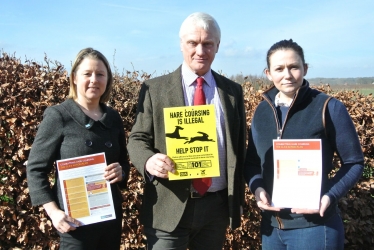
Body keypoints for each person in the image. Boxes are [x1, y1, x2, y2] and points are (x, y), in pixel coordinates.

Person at [127, 12, 246, 250]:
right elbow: (137, 138)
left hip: (216, 208)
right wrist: (149, 161)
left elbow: (239, 146)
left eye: (208, 44)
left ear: (218, 46)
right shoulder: (154, 89)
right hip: (169, 205)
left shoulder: (233, 92)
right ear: (181, 44)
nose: (200, 51)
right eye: (193, 43)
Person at [244, 39, 364, 249]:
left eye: (294, 67)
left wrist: (328, 196)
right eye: (279, 68)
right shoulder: (261, 112)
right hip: (272, 230)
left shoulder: (329, 107)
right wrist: (257, 188)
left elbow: (354, 162)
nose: (287, 75)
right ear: (268, 74)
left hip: (315, 228)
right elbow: (252, 163)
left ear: (305, 68)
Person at [26, 48, 130, 250]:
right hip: (75, 222)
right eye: (87, 74)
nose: (94, 79)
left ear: (107, 79)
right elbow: (36, 168)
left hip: (110, 219)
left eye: (100, 74)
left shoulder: (113, 117)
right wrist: (54, 212)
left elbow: (124, 161)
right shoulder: (58, 116)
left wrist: (121, 172)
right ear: (74, 78)